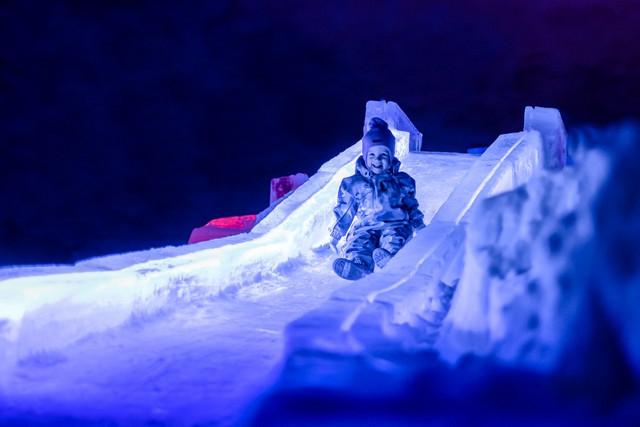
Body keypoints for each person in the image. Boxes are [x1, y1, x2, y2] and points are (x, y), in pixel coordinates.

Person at [330, 117, 425, 280]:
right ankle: (359, 264)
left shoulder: (402, 181)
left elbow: (411, 206)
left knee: (395, 239)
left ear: (391, 156)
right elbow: (346, 209)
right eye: (372, 154)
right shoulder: (355, 183)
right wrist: (337, 233)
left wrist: (418, 224)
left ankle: (391, 259)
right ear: (365, 155)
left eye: (383, 155)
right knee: (358, 243)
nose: (377, 160)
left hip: (396, 224)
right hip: (366, 226)